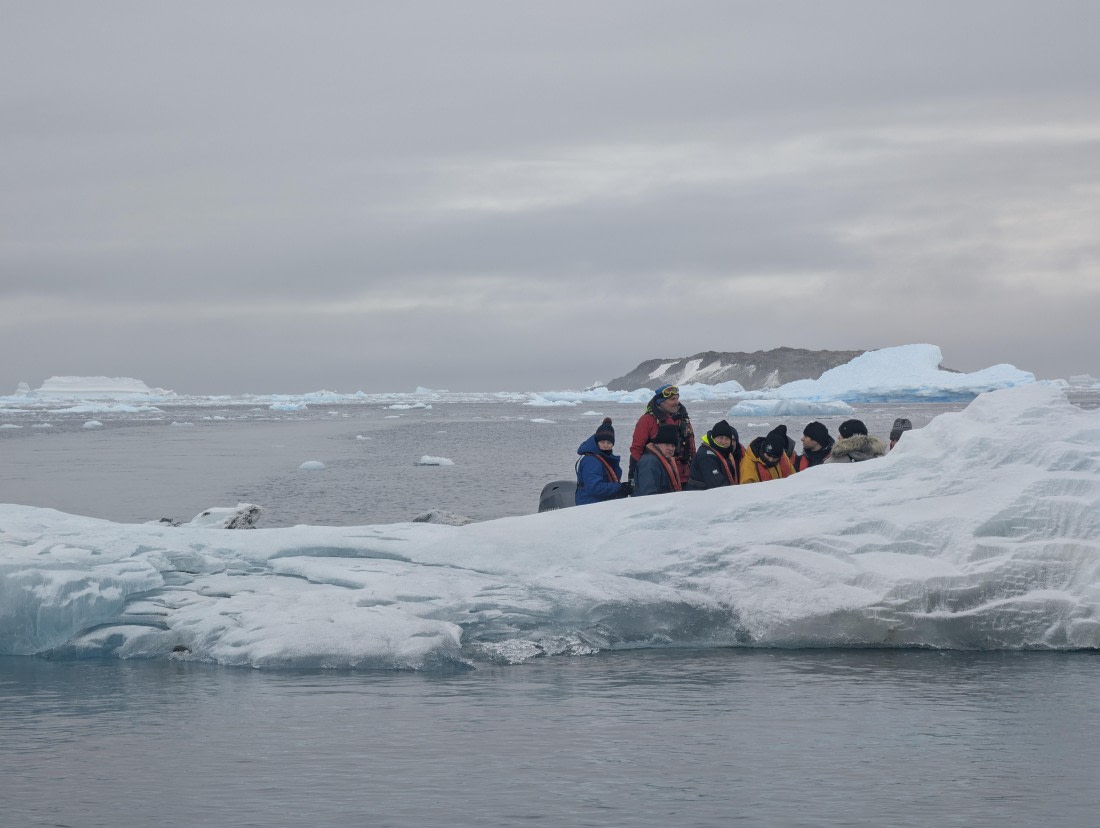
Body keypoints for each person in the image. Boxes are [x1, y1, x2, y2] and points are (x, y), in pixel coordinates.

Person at [629, 384, 696, 486]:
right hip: (659, 478)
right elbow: (636, 450)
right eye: (672, 399)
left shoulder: (683, 419)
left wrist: (696, 469)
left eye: (677, 398)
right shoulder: (647, 420)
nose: (676, 402)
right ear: (661, 402)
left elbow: (691, 447)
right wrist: (634, 476)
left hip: (685, 477)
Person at [575, 418, 632, 505]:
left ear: (613, 444)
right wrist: (620, 488)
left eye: (609, 442)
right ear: (597, 442)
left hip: (601, 503)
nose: (605, 445)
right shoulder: (591, 461)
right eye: (602, 442)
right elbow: (595, 488)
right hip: (589, 505)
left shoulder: (605, 458)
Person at [687, 419, 743, 489]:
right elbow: (717, 483)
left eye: (727, 438)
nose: (723, 441)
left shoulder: (724, 453)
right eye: (720, 437)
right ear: (713, 438)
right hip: (700, 496)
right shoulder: (706, 456)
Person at [634, 424, 683, 496]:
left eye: (673, 445)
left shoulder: (666, 460)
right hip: (653, 505)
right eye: (667, 444)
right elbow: (648, 493)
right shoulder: (649, 462)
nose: (670, 449)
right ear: (657, 444)